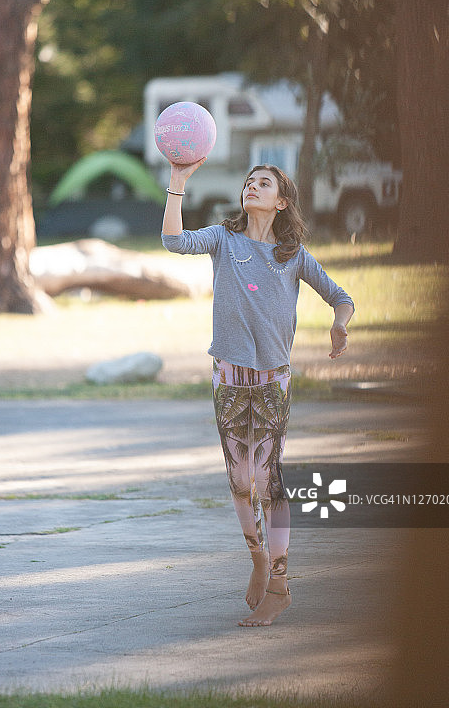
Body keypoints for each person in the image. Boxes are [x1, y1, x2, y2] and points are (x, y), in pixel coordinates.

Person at [161, 159, 354, 627]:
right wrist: (178, 184)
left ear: (281, 200)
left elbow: (340, 296)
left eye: (263, 183)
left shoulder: (293, 255)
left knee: (269, 481)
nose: (252, 186)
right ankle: (258, 560)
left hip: (272, 383)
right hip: (227, 380)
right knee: (239, 482)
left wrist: (339, 325)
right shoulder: (223, 241)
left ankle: (281, 585)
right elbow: (173, 240)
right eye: (248, 181)